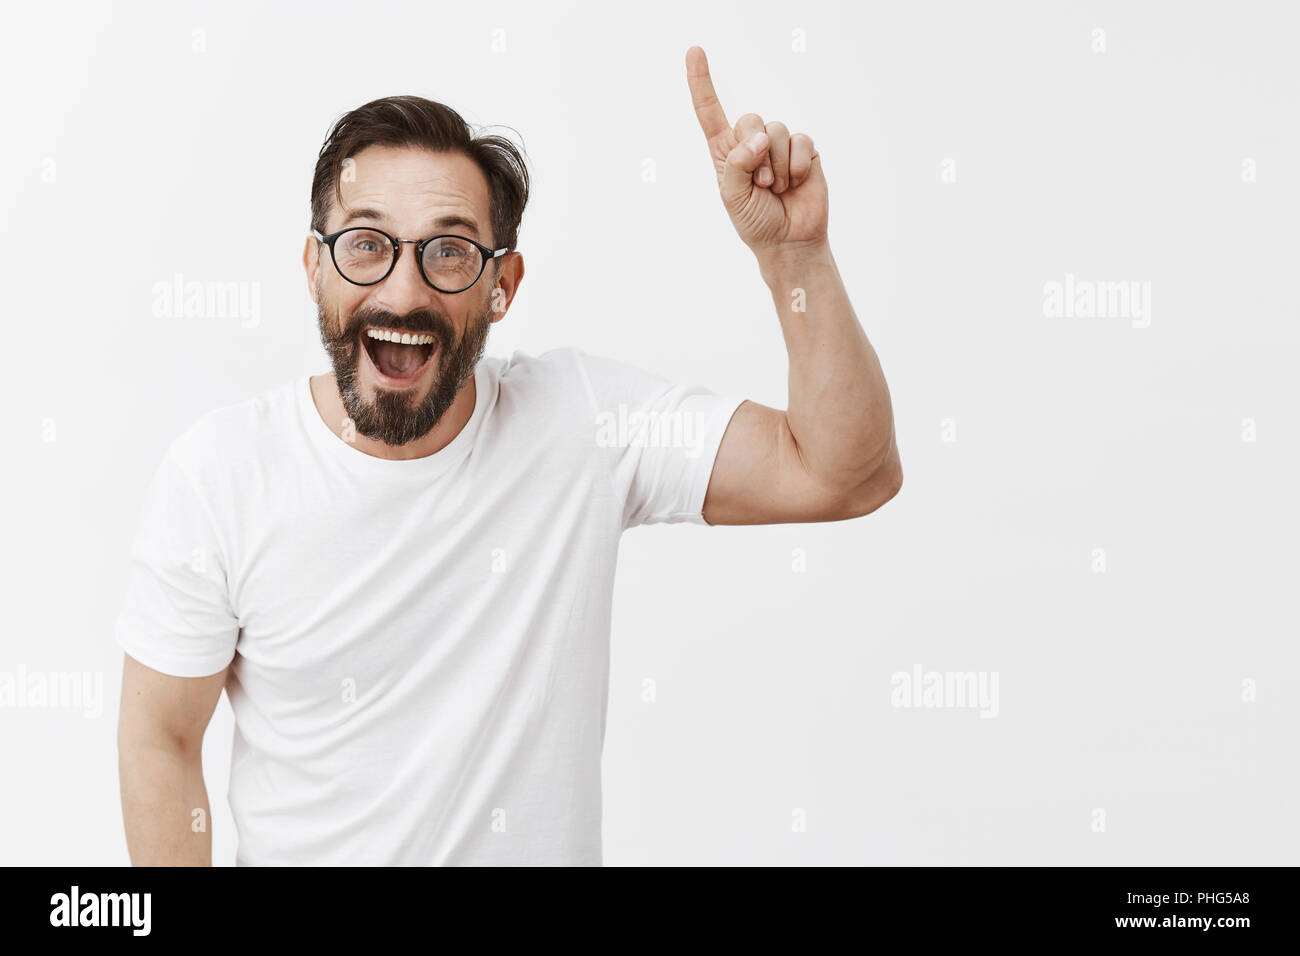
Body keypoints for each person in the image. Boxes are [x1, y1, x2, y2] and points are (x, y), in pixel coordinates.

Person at [114, 46, 902, 866]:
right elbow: (161, 738)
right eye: (366, 244)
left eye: (449, 251)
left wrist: (795, 256)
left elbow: (847, 471)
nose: (403, 291)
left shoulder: (585, 422)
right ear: (314, 266)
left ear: (504, 286)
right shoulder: (220, 474)